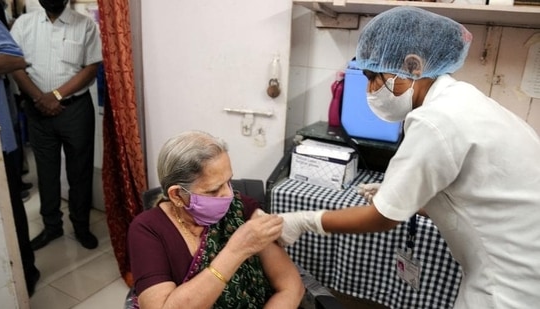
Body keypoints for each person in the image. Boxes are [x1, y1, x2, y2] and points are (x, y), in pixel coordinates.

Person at [278, 6, 540, 309]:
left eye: (374, 76)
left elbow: (382, 218)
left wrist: (301, 220)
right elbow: (479, 197)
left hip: (509, 286)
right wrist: (415, 199)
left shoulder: (436, 119)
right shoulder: (465, 100)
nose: (371, 89)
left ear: (413, 65)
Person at [127, 131, 304, 309]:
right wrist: (235, 251)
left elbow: (290, 287)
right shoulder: (148, 230)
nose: (228, 195)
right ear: (176, 195)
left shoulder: (240, 209)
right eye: (213, 190)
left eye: (229, 181)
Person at [10, 0, 102, 250]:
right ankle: (52, 227)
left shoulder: (84, 25)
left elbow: (91, 68)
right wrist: (40, 98)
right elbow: (14, 65)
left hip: (75, 110)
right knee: (46, 173)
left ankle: (81, 225)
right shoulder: (23, 24)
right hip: (37, 110)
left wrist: (55, 96)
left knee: (80, 172)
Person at [0, 9, 40, 296]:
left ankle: (25, 273)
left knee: (9, 210)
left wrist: (49, 97)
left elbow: (14, 57)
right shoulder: (24, 23)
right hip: (31, 104)